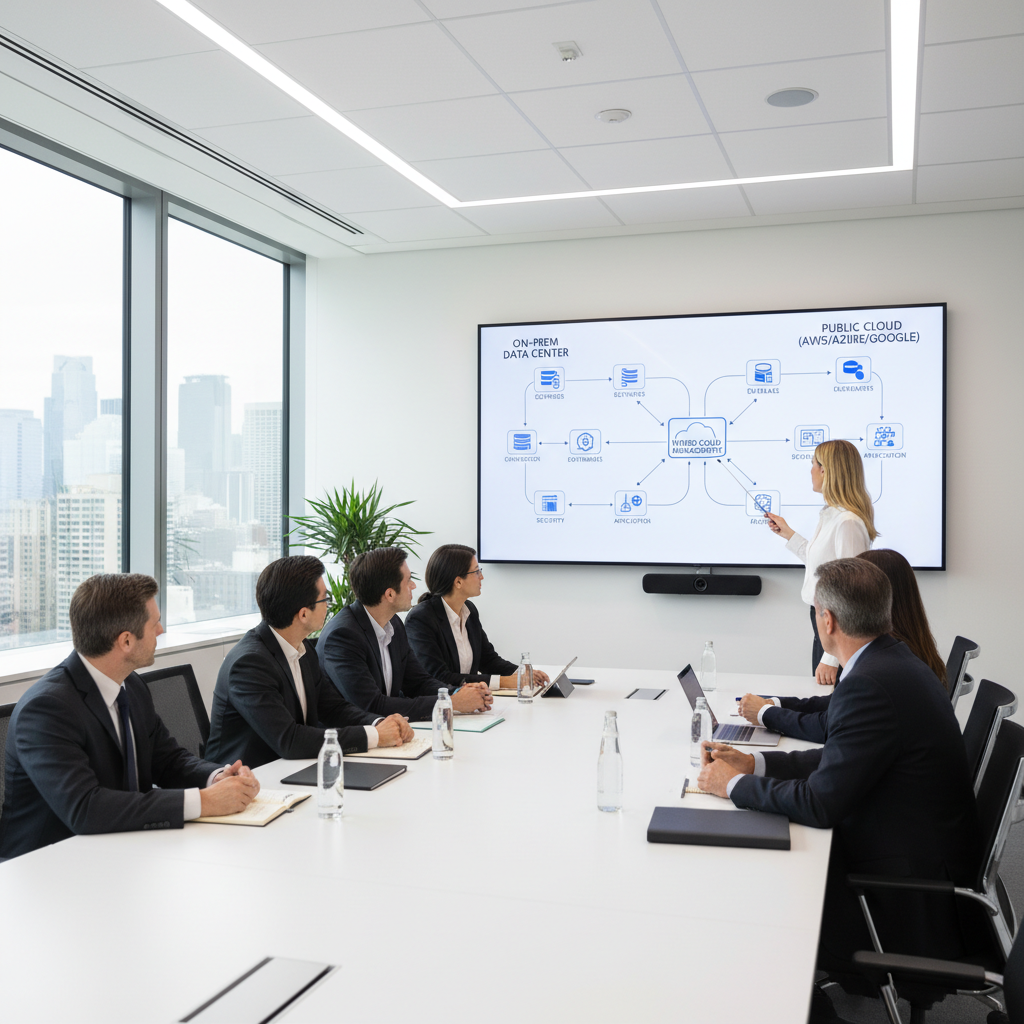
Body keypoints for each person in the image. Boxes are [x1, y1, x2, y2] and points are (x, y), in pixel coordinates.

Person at [697, 558, 982, 1014]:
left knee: (756, 900)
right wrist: (756, 763)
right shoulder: (890, 662)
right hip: (915, 854)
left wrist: (732, 787)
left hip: (901, 894)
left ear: (826, 620)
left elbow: (820, 803)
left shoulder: (872, 682)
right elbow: (842, 759)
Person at [0, 574, 260, 860]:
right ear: (125, 641)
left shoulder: (131, 685)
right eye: (154, 623)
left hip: (125, 849)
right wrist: (203, 802)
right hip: (48, 868)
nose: (161, 630)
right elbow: (86, 809)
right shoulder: (46, 710)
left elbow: (167, 760)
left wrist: (216, 778)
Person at [206, 555, 413, 768]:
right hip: (250, 780)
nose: (329, 606)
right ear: (303, 614)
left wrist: (378, 722)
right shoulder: (250, 664)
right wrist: (374, 736)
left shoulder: (302, 649)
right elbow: (289, 740)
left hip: (294, 768)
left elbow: (333, 708)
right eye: (324, 599)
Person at [737, 548, 947, 741]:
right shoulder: (900, 653)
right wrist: (774, 704)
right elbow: (837, 707)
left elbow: (831, 726)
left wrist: (766, 714)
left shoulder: (880, 668)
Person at [317, 546, 492, 720]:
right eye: (408, 581)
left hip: (391, 733)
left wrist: (463, 692)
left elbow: (419, 682)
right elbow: (372, 705)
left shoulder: (393, 623)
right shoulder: (343, 636)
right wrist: (451, 702)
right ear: (390, 594)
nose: (414, 585)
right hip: (349, 741)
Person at [764, 439, 877, 686]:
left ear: (826, 470)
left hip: (837, 633)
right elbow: (823, 565)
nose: (811, 469)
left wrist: (832, 656)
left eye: (813, 464)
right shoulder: (832, 516)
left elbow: (852, 594)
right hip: (824, 627)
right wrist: (788, 534)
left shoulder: (847, 522)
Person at [405, 543, 550, 692]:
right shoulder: (421, 619)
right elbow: (439, 676)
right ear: (458, 581)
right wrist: (505, 682)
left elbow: (488, 659)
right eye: (476, 572)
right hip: (441, 706)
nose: (482, 577)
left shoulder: (469, 610)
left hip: (473, 703)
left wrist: (521, 673)